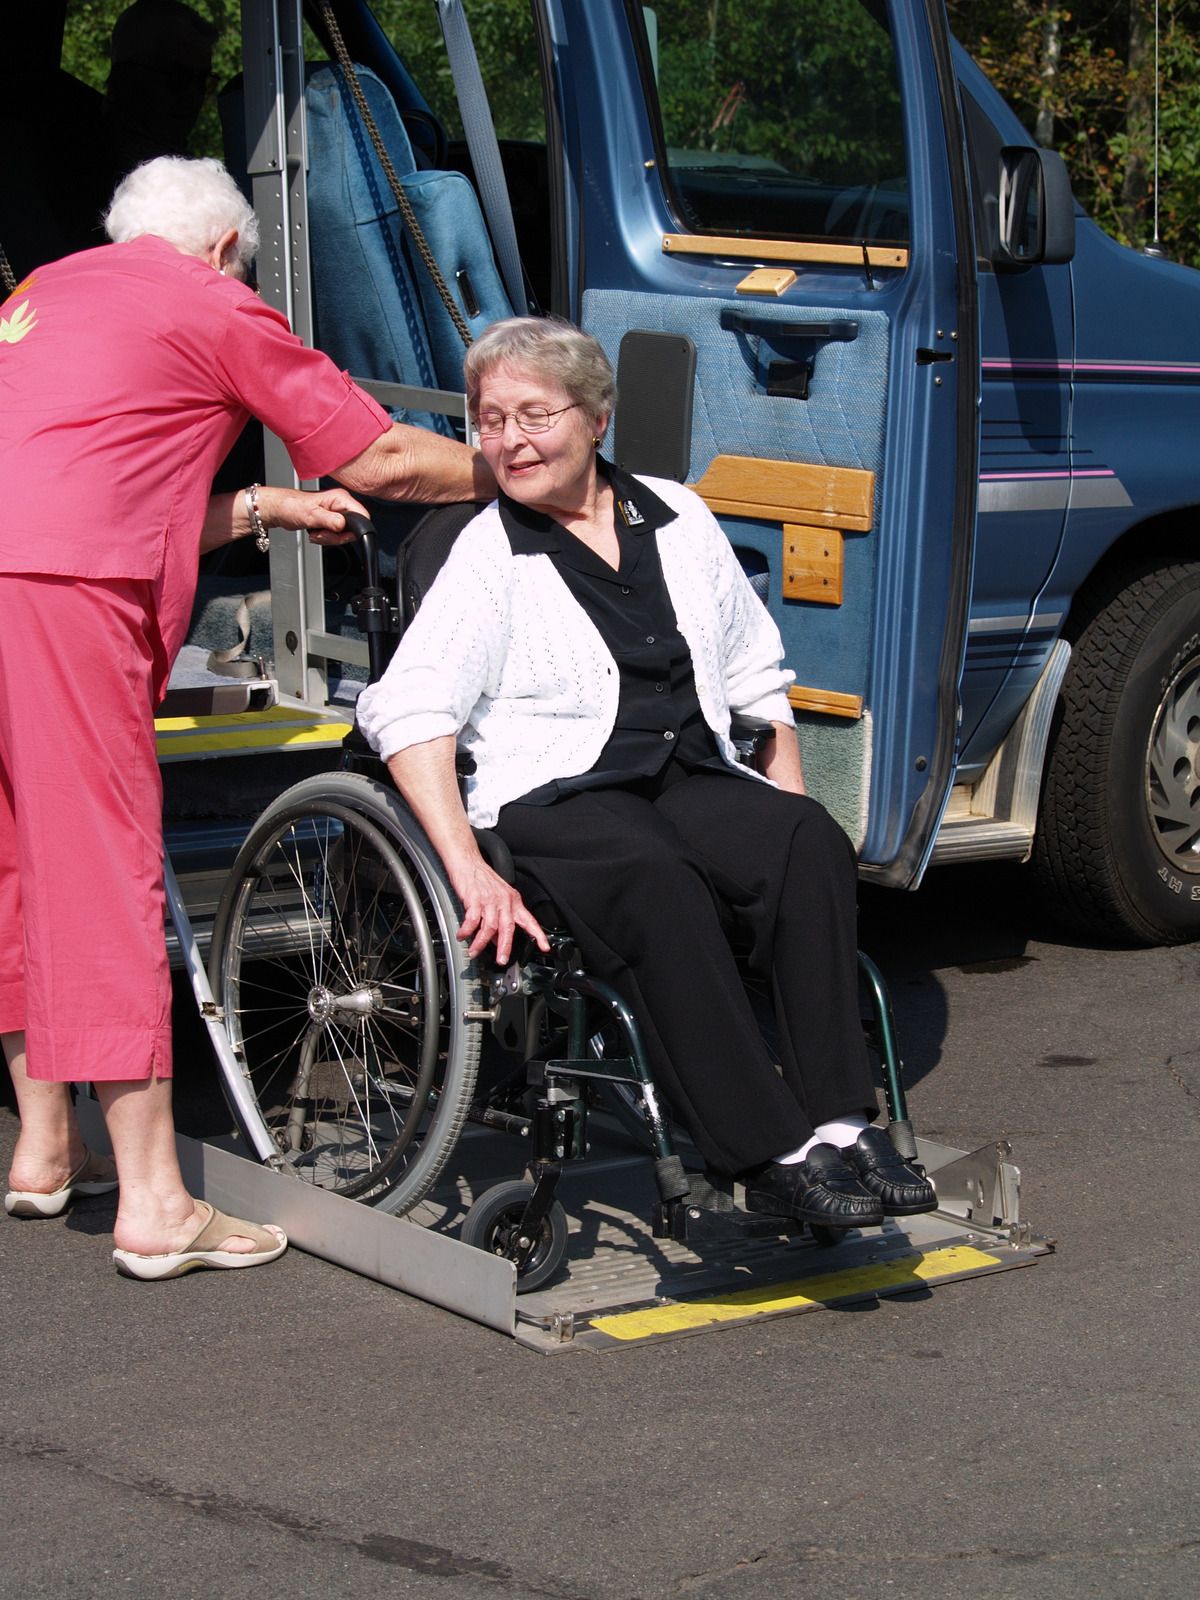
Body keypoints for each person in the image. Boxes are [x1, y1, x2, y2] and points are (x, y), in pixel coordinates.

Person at [0, 156, 495, 1278]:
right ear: (228, 246)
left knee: (17, 861)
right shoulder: (212, 298)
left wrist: (267, 505)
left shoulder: (44, 292)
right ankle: (156, 1206)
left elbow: (97, 476)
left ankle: (44, 1146)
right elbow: (381, 455)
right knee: (101, 874)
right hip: (58, 600)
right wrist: (525, 470)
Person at [356, 316, 936, 1229]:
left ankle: (837, 1120)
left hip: (687, 772)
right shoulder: (488, 551)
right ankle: (767, 1151)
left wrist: (780, 821)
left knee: (806, 843)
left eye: (534, 416)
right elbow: (408, 713)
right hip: (556, 794)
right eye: (491, 419)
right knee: (656, 879)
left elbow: (757, 680)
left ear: (596, 419)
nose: (509, 440)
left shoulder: (676, 514)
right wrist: (466, 867)